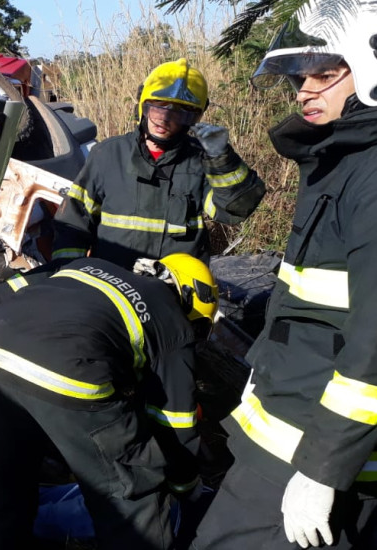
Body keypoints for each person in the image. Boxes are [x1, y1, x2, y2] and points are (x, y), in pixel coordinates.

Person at [190, 2, 377, 548]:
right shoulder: (339, 159)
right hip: (289, 416)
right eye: (299, 78)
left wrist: (323, 468)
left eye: (324, 74)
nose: (303, 91)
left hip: (310, 447)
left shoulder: (368, 173)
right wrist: (262, 362)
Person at [0, 253, 219, 549]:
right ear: (190, 302)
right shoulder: (174, 322)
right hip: (72, 373)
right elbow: (175, 422)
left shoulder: (91, 266)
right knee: (129, 494)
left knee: (9, 477)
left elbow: (2, 292)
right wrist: (186, 485)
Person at [52, 58, 266, 269]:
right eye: (158, 107)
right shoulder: (107, 155)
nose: (164, 119)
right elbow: (73, 223)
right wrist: (69, 274)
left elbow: (233, 211)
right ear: (142, 104)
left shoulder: (202, 160)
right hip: (113, 286)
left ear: (196, 116)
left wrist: (222, 158)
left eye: (179, 113)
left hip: (173, 291)